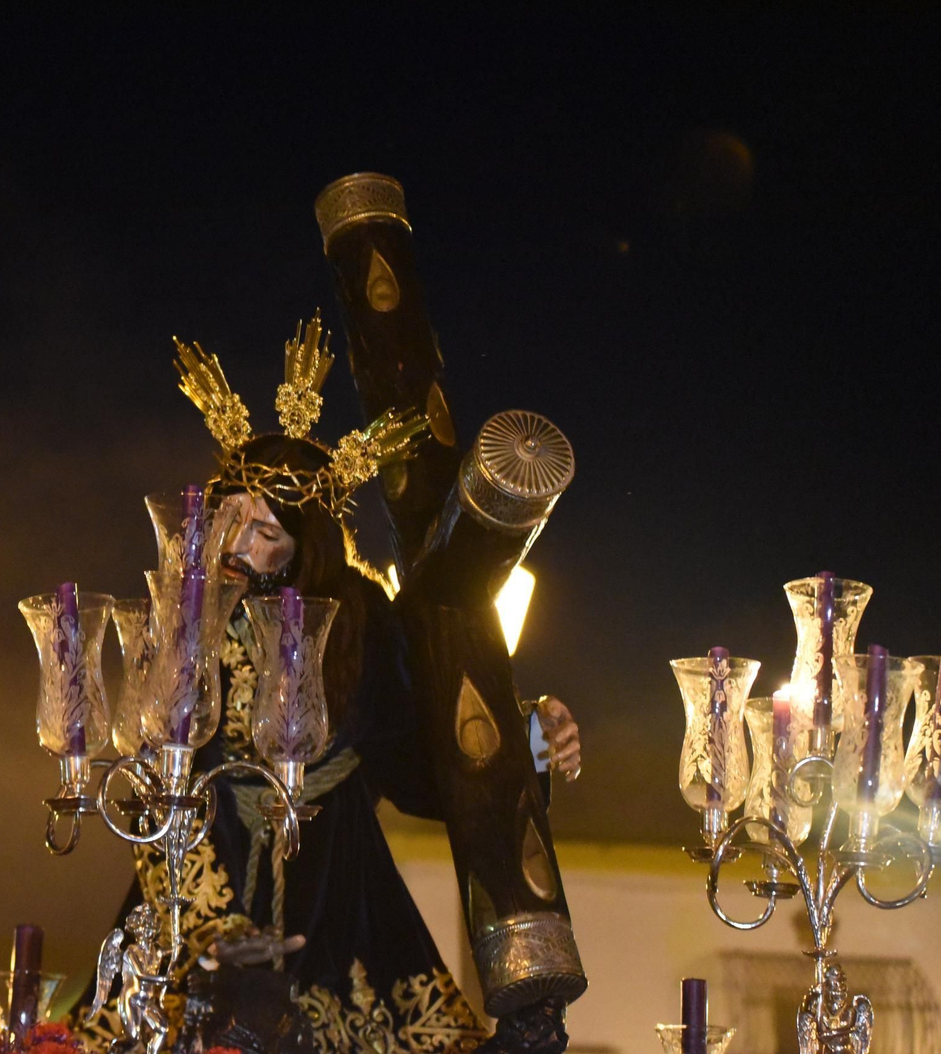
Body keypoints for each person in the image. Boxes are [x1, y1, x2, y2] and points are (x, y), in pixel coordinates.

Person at [73, 330, 582, 1054]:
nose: (239, 544)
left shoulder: (361, 621)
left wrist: (523, 737)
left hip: (340, 889)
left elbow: (418, 761)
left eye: (267, 531)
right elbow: (157, 782)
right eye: (232, 518)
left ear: (306, 542)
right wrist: (211, 924)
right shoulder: (181, 616)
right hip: (197, 883)